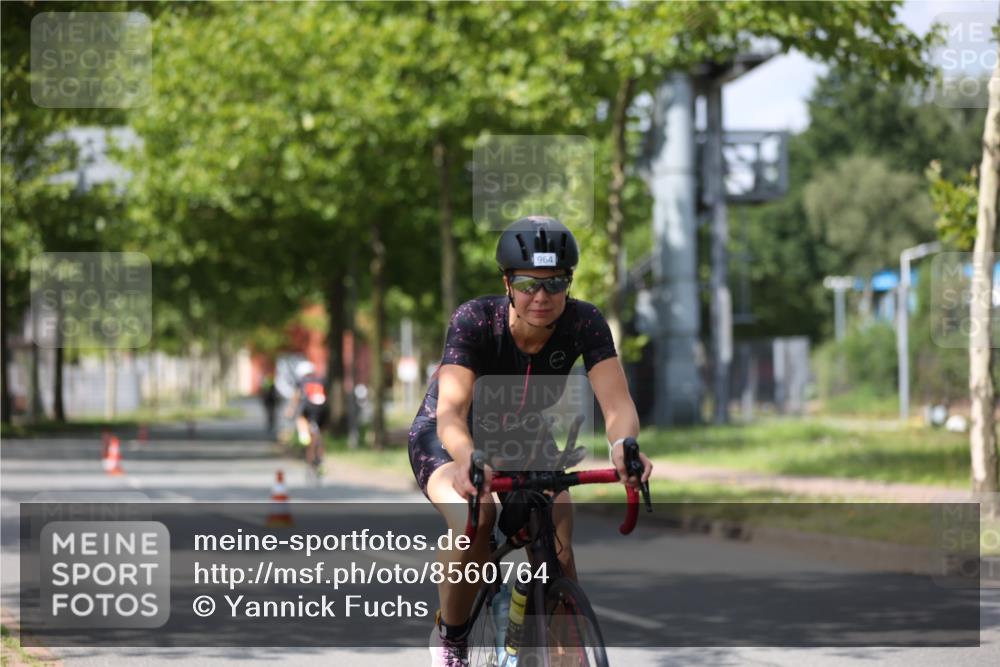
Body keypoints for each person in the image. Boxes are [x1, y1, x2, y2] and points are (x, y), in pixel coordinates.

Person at [408, 216, 653, 667]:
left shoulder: (585, 322)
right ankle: (453, 637)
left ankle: (563, 653)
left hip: (522, 436)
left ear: (568, 283)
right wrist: (467, 459)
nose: (541, 297)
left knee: (559, 542)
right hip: (449, 440)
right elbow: (451, 413)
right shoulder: (475, 320)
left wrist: (624, 446)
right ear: (507, 283)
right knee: (476, 518)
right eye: (528, 284)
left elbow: (617, 406)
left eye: (555, 284)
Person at [285, 360, 327, 465]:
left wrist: (290, 409)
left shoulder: (302, 381)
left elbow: (297, 397)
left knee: (300, 418)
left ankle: (304, 437)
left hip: (308, 408)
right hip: (322, 410)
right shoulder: (321, 380)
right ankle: (320, 455)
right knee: (320, 433)